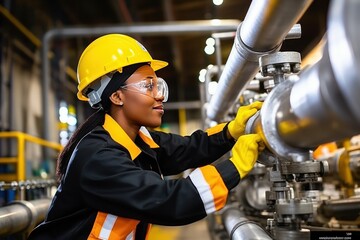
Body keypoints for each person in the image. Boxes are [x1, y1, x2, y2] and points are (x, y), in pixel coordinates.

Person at [28, 34, 264, 240]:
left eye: (158, 85)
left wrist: (231, 131)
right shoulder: (98, 156)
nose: (159, 96)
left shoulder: (137, 140)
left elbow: (186, 148)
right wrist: (235, 166)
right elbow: (168, 202)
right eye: (148, 86)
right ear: (117, 97)